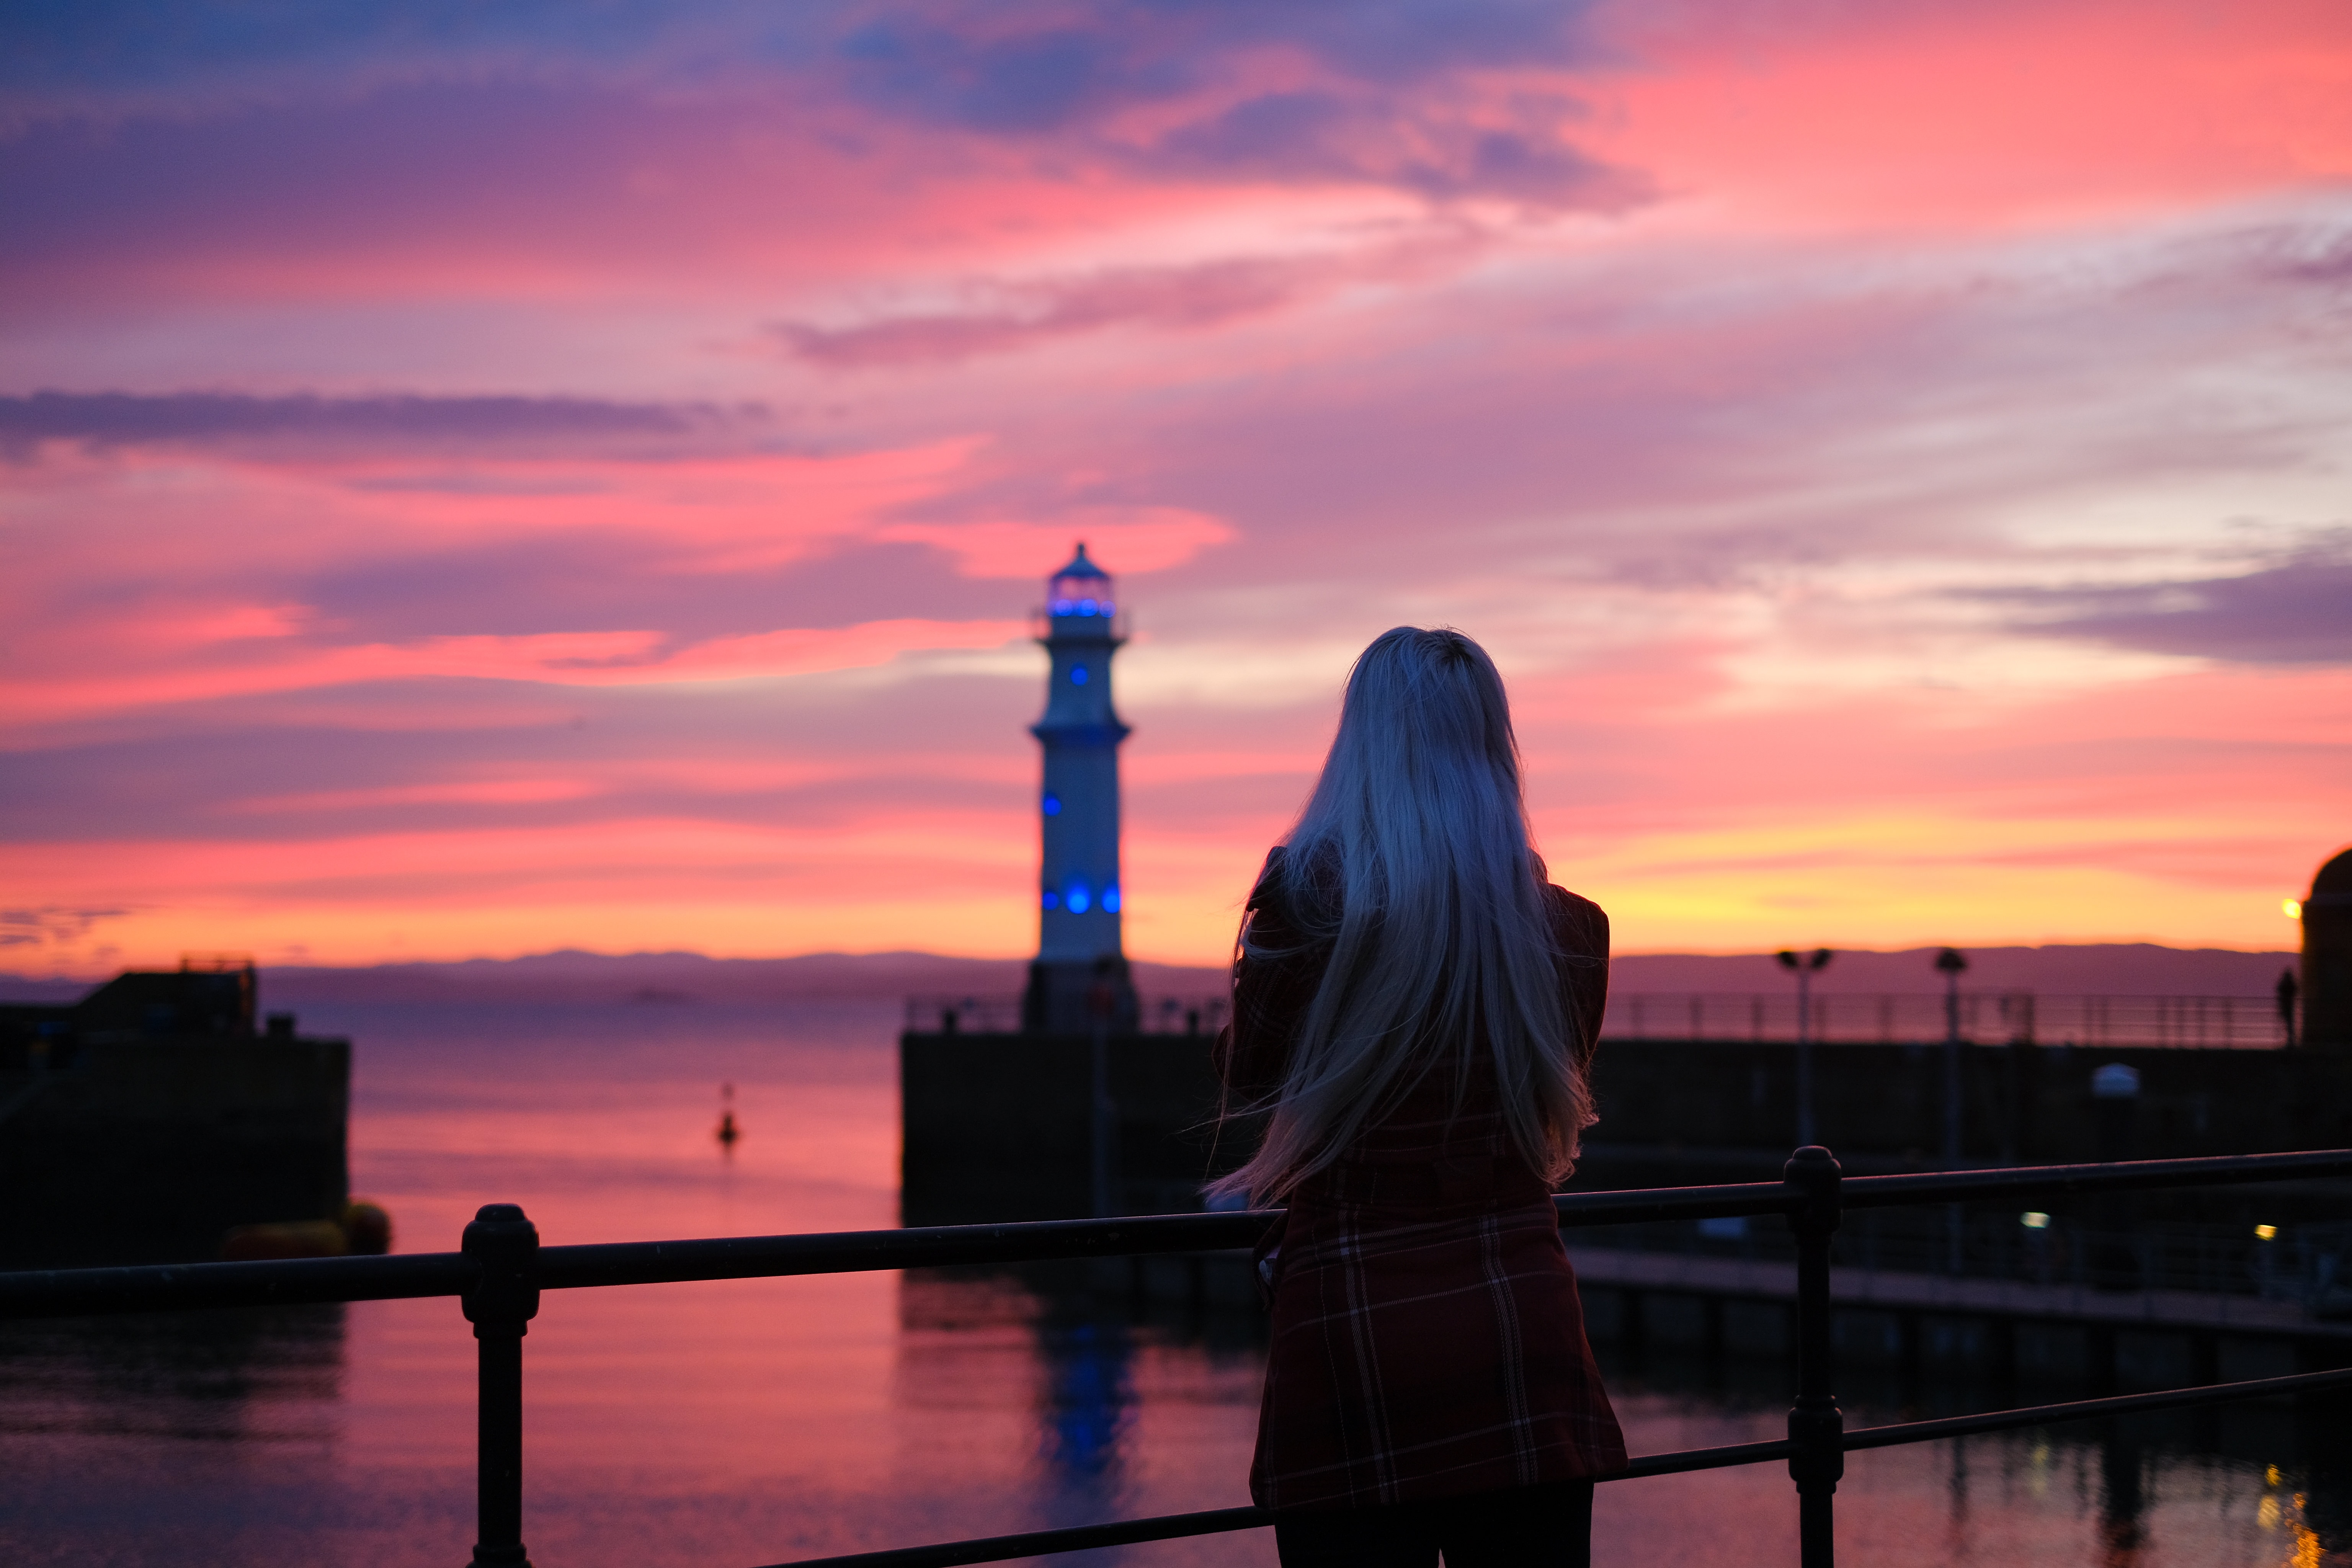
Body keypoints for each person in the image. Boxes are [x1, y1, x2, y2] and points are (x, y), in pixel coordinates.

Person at [1210, 626, 1623, 1568]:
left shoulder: (1302, 914)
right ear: (1494, 748)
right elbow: (1538, 1099)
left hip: (1351, 1331)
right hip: (1520, 1331)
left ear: (1361, 748)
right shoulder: (1570, 936)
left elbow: (1251, 1077)